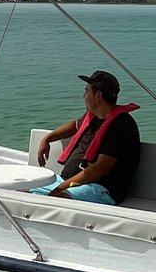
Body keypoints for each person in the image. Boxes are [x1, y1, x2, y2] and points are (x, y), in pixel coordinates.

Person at [31, 70, 141, 204]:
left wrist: (59, 189)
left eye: (87, 91)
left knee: (57, 201)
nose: (83, 95)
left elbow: (99, 169)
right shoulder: (94, 116)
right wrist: (47, 139)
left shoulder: (122, 125)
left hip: (99, 188)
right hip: (68, 182)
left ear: (98, 95)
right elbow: (74, 126)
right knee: (23, 190)